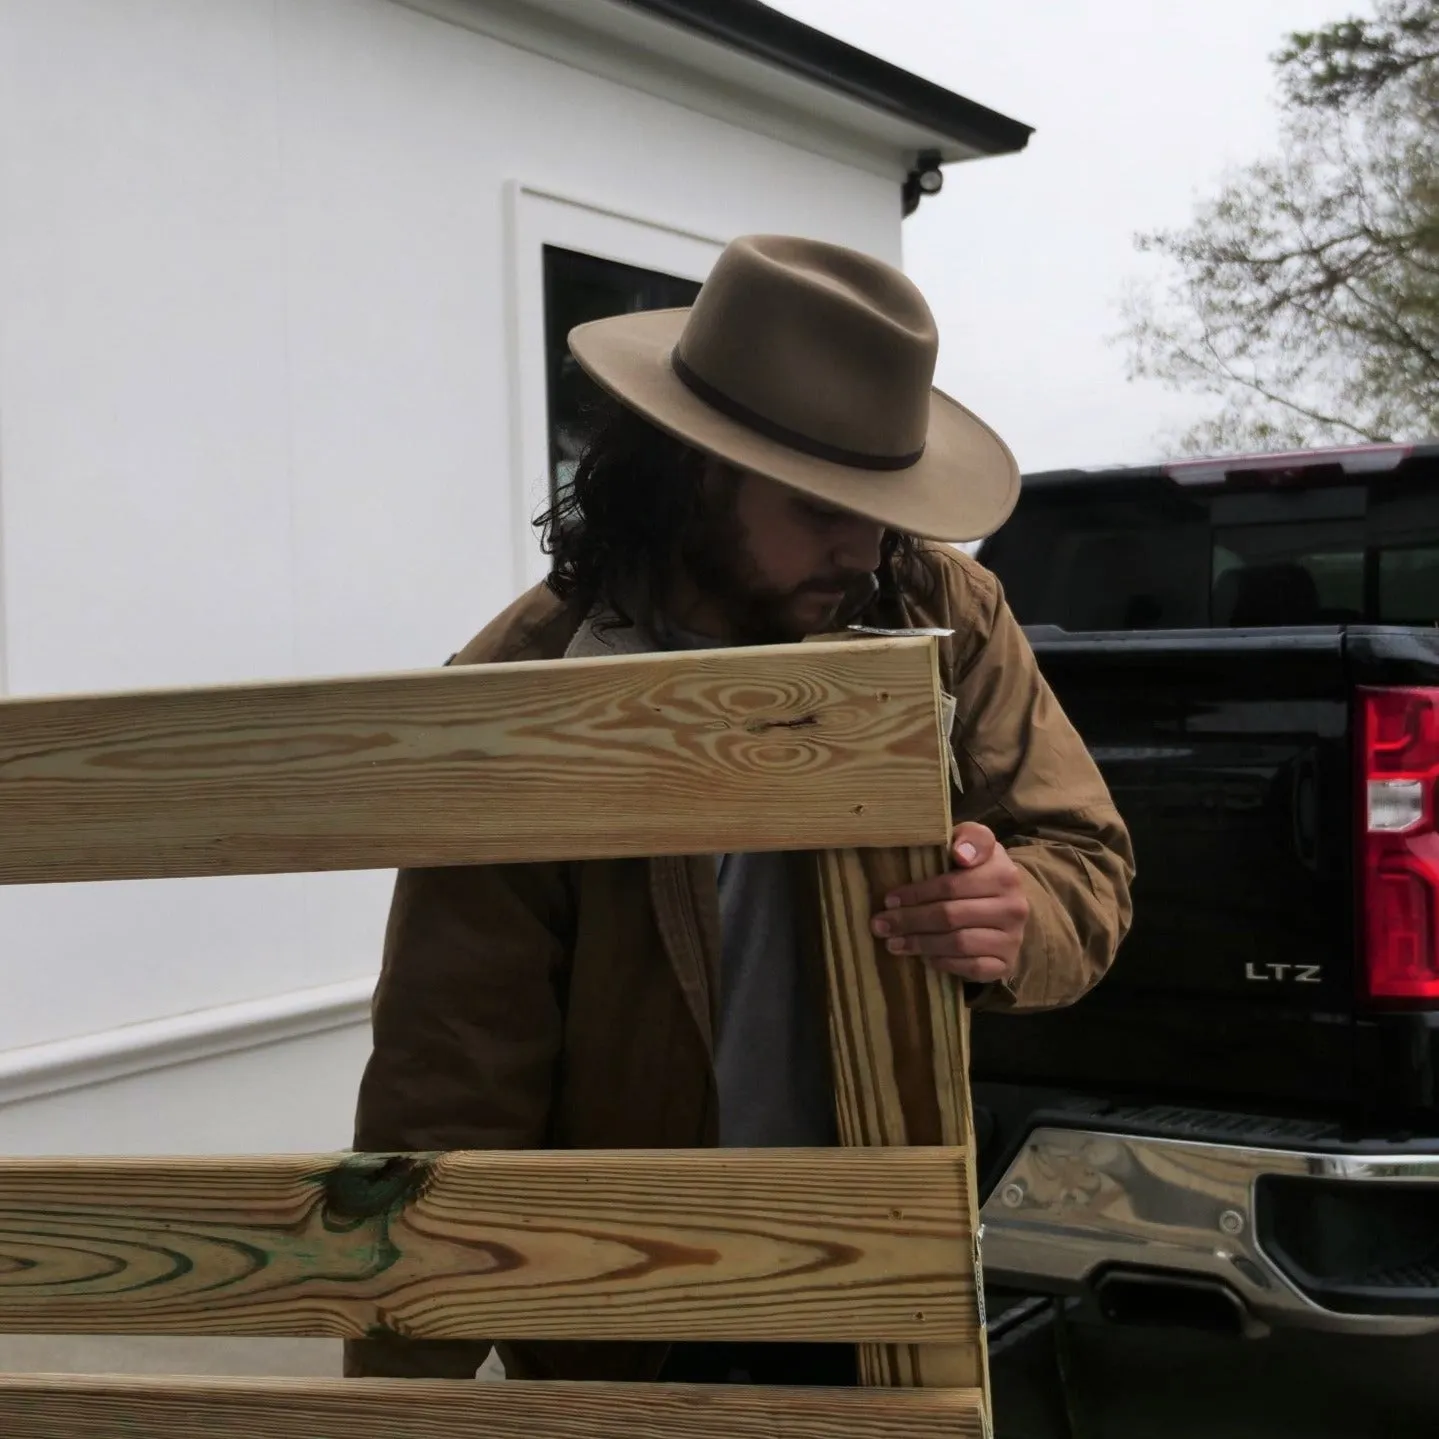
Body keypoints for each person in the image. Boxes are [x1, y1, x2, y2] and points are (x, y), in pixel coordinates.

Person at [343, 234, 1134, 1387]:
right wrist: (402, 1385)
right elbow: (456, 1064)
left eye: (882, 504)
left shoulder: (944, 608)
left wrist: (1021, 912)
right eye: (820, 505)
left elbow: (1085, 855)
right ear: (693, 468)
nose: (860, 548)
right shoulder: (532, 682)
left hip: (882, 1254)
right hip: (621, 1296)